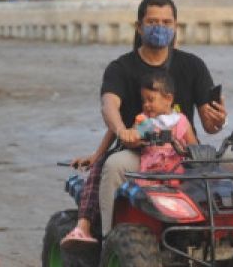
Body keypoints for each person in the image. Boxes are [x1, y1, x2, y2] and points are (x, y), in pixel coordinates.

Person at [69, 0, 233, 239]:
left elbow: (209, 125)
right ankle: (109, 243)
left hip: (186, 153)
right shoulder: (121, 68)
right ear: (139, 27)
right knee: (113, 165)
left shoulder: (192, 65)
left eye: (166, 22)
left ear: (176, 26)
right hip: (140, 154)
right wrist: (123, 130)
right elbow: (109, 104)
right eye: (153, 22)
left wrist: (218, 120)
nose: (160, 27)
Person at [61, 70, 199, 247]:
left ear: (168, 99)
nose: (146, 105)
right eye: (144, 101)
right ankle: (107, 238)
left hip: (175, 173)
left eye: (151, 99)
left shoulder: (181, 121)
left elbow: (194, 146)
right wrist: (130, 135)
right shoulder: (144, 122)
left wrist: (189, 151)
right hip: (150, 173)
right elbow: (134, 137)